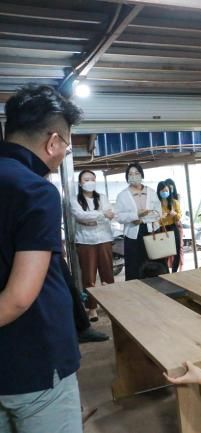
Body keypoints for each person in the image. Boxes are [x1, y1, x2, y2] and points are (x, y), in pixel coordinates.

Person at [0, 84, 83, 433]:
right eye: (67, 145)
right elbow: (19, 297)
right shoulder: (34, 190)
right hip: (35, 359)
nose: (63, 153)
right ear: (53, 142)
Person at [71, 169, 115, 321]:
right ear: (80, 183)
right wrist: (101, 214)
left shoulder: (102, 197)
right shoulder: (75, 200)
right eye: (86, 180)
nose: (90, 182)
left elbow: (109, 214)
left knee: (108, 274)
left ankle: (111, 305)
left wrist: (90, 219)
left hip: (104, 239)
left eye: (92, 179)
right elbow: (80, 215)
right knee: (88, 277)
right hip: (85, 241)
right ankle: (92, 308)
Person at [114, 163, 162, 281]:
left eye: (136, 173)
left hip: (152, 232)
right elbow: (119, 217)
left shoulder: (151, 192)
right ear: (127, 177)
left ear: (141, 175)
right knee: (134, 266)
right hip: (132, 235)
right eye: (130, 174)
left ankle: (156, 286)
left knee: (154, 263)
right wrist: (135, 215)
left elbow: (158, 213)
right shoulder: (122, 195)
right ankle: (135, 289)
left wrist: (141, 219)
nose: (134, 176)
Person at [157, 181, 182, 272]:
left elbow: (179, 217)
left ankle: (174, 272)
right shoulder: (156, 204)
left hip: (173, 227)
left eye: (166, 190)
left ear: (169, 191)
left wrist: (174, 214)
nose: (164, 192)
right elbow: (154, 219)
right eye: (162, 191)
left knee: (177, 251)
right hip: (162, 229)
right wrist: (160, 217)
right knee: (164, 252)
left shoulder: (174, 202)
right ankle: (166, 272)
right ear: (158, 192)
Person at [165, 178, 184, 271]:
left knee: (179, 247)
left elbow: (179, 213)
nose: (170, 189)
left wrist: (175, 214)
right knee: (167, 249)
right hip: (166, 226)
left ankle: (180, 267)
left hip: (176, 224)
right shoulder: (162, 200)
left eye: (171, 187)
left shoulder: (176, 198)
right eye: (168, 187)